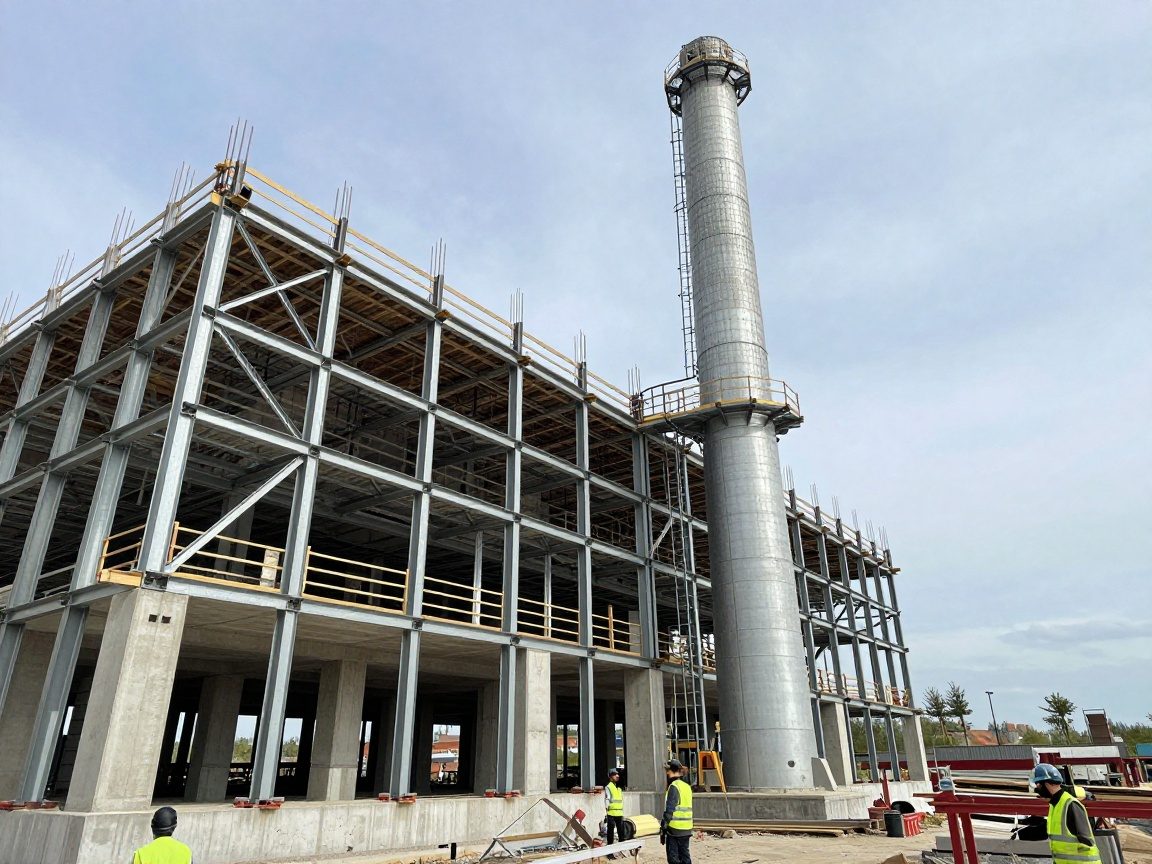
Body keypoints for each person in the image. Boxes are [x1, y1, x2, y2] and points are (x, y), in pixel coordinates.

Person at [1031, 763, 1100, 864]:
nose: (1037, 789)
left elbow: (1087, 841)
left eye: (1039, 785)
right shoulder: (1055, 805)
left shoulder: (1070, 804)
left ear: (1049, 784)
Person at [659, 759, 693, 864]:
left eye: (668, 771)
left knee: (673, 859)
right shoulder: (687, 787)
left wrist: (663, 828)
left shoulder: (674, 786)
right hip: (687, 828)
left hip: (675, 830)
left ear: (671, 771)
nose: (667, 773)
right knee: (685, 857)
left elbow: (669, 810)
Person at [604, 768, 625, 849]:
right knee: (610, 833)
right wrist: (607, 811)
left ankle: (622, 848)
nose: (617, 776)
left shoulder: (619, 788)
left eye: (617, 774)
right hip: (611, 813)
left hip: (619, 813)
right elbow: (607, 799)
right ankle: (610, 850)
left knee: (621, 833)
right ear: (610, 776)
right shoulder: (608, 787)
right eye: (615, 774)